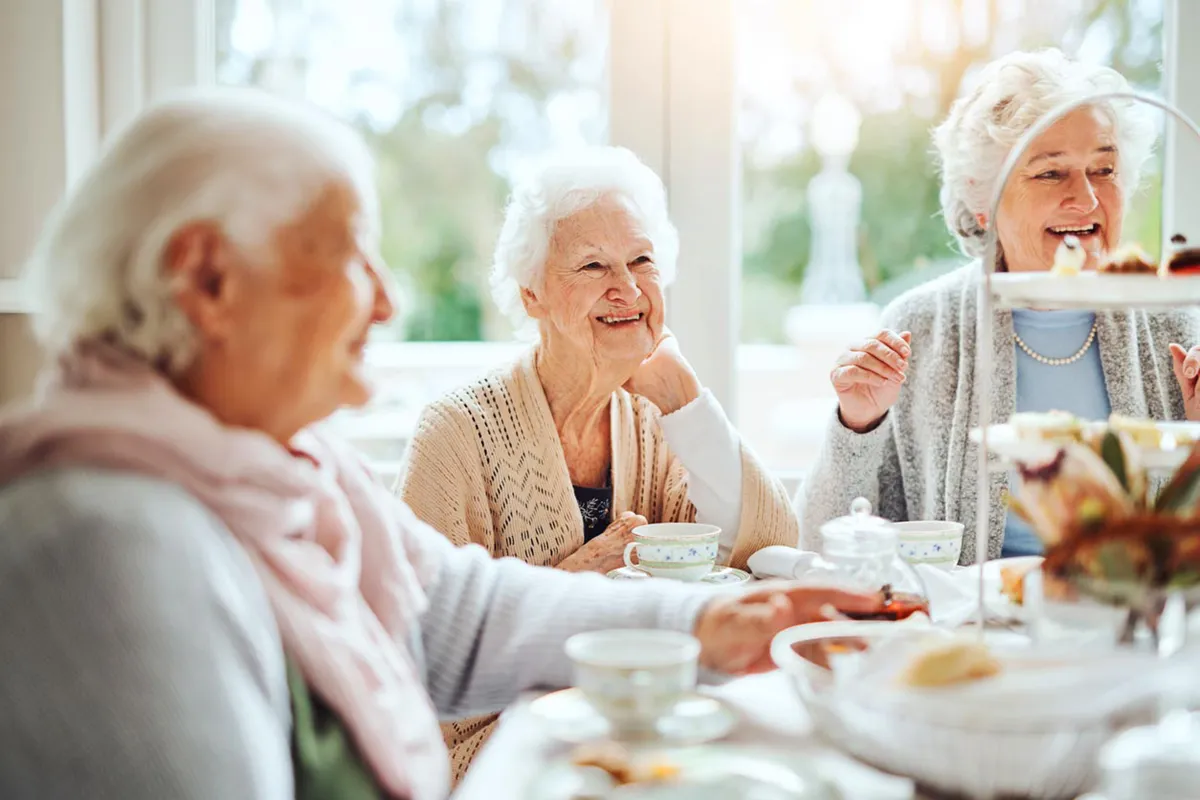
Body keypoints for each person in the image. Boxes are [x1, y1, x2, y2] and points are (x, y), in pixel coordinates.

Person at [0, 88, 868, 800]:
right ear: (207, 282)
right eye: (348, 255)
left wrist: (715, 621)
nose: (385, 299)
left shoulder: (288, 466)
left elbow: (454, 611)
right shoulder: (102, 544)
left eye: (639, 264)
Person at [396, 146, 800, 779]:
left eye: (642, 260)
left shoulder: (654, 418)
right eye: (593, 265)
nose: (629, 288)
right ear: (532, 296)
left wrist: (687, 403)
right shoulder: (457, 432)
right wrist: (578, 578)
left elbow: (767, 547)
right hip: (507, 758)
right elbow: (413, 653)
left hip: (650, 736)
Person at [797, 49, 1200, 563]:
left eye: (1103, 168)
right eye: (1051, 174)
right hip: (976, 628)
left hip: (1127, 622)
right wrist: (857, 425)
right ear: (983, 200)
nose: (1089, 199)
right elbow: (821, 544)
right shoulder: (917, 328)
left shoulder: (1176, 321)